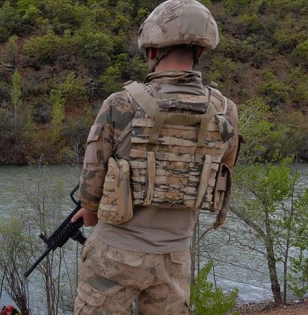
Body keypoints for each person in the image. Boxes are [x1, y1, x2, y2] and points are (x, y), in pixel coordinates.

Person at [72, 1, 241, 314]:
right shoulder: (225, 110)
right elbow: (222, 170)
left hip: (115, 253)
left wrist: (90, 211)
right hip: (175, 256)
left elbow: (92, 179)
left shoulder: (120, 103)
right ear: (200, 52)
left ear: (151, 51)